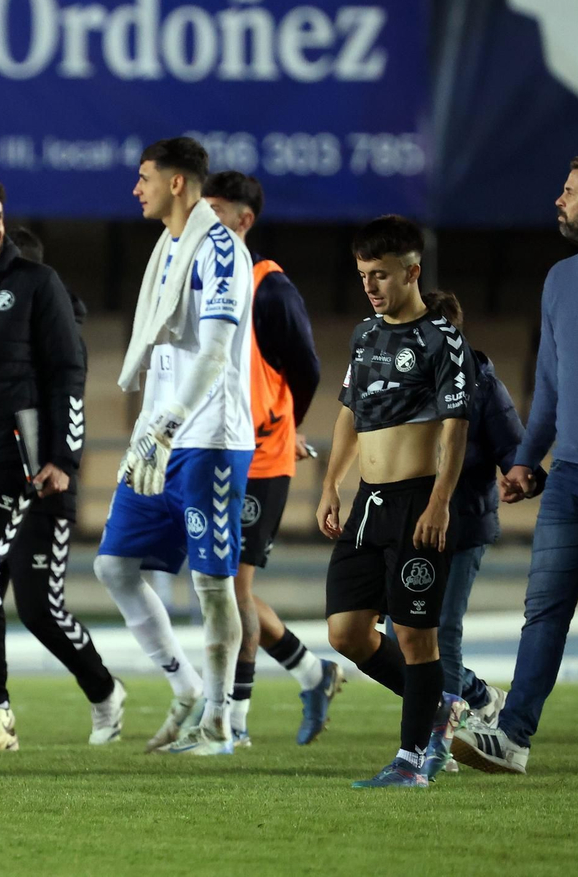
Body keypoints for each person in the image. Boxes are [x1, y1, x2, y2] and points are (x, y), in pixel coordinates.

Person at [0, 177, 118, 753]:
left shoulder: (38, 283)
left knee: (1, 585)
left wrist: (65, 457)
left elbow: (67, 375)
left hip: (22, 459)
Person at [455, 153, 578, 775]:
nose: (559, 200)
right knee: (544, 614)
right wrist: (527, 460)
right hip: (571, 482)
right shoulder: (559, 279)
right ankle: (513, 739)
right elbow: (550, 387)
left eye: (570, 191)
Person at [95, 138, 254, 756]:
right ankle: (185, 686)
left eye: (144, 178)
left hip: (208, 439)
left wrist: (169, 424)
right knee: (113, 566)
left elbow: (215, 353)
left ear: (178, 183)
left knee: (213, 586)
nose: (137, 189)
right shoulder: (167, 247)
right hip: (160, 437)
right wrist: (149, 429)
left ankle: (220, 719)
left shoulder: (220, 251)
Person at [317, 215, 476, 788]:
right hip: (368, 501)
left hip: (416, 503)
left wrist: (440, 501)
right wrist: (332, 483)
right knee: (346, 633)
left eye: (380, 275)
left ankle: (411, 760)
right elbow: (348, 415)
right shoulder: (366, 336)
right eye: (363, 275)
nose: (370, 286)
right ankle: (441, 703)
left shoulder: (442, 340)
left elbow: (456, 427)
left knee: (415, 637)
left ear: (411, 272)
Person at [201, 171, 343, 746]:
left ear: (243, 219)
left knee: (232, 588)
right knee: (220, 583)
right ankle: (313, 671)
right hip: (212, 453)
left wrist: (288, 425)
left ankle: (233, 722)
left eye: (215, 212)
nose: (203, 223)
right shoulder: (202, 280)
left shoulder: (269, 287)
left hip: (259, 461)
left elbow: (305, 368)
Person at [381, 295, 541, 772]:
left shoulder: (483, 384)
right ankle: (476, 694)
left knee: (441, 630)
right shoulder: (403, 378)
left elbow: (515, 449)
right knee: (398, 633)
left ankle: (437, 743)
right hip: (410, 526)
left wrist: (521, 476)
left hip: (464, 523)